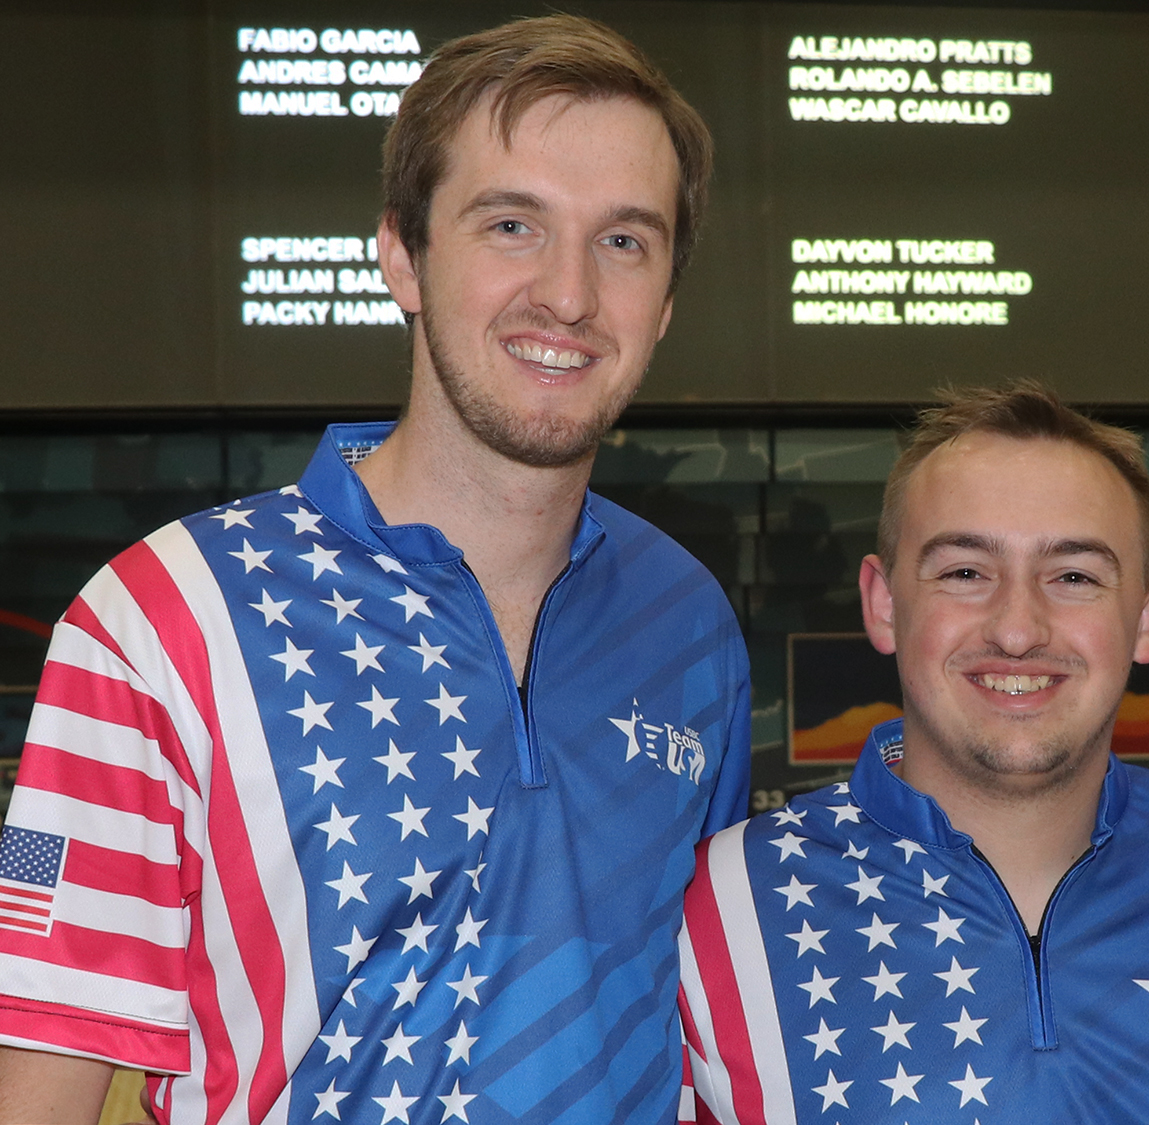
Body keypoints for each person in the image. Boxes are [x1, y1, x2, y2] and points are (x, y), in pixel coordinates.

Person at [0, 15, 748, 1123]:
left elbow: (705, 1039)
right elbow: (42, 1084)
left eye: (624, 241)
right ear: (402, 254)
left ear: (668, 301)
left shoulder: (690, 628)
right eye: (511, 224)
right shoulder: (157, 623)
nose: (570, 293)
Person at [676, 383, 1149, 1123]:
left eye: (1074, 576)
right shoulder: (717, 905)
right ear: (884, 603)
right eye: (965, 573)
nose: (1018, 629)